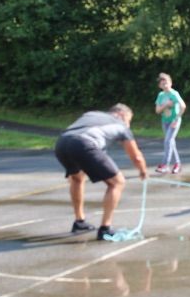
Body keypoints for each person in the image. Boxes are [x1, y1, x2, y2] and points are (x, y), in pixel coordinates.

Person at [54, 103, 148, 240]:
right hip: (83, 143)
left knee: (77, 178)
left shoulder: (91, 114)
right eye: (129, 120)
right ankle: (105, 228)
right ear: (121, 115)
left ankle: (79, 221)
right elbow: (136, 156)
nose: (128, 125)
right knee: (117, 182)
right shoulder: (121, 125)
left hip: (62, 142)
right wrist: (143, 171)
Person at [154, 73, 187, 174]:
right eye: (163, 84)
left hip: (174, 121)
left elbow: (183, 106)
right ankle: (178, 164)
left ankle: (165, 165)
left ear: (171, 83)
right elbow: (157, 110)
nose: (165, 85)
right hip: (165, 121)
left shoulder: (174, 94)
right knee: (170, 142)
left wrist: (176, 119)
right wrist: (166, 105)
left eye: (167, 83)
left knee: (168, 141)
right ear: (160, 85)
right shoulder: (161, 95)